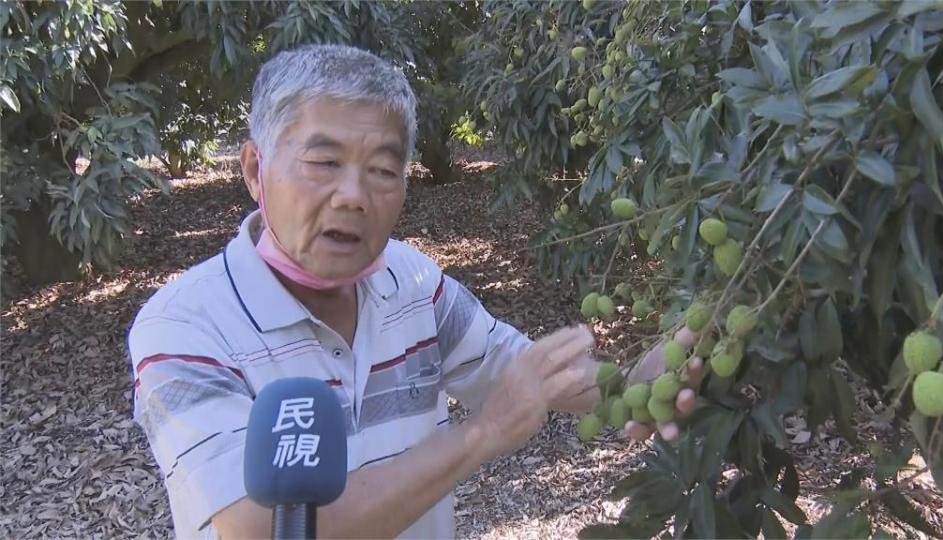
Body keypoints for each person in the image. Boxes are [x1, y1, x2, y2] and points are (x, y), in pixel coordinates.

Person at [127, 44, 702, 540]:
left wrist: (633, 386)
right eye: (324, 161)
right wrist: (481, 435)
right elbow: (263, 529)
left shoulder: (414, 285)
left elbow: (521, 373)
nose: (353, 195)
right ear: (255, 169)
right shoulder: (185, 327)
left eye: (382, 169)